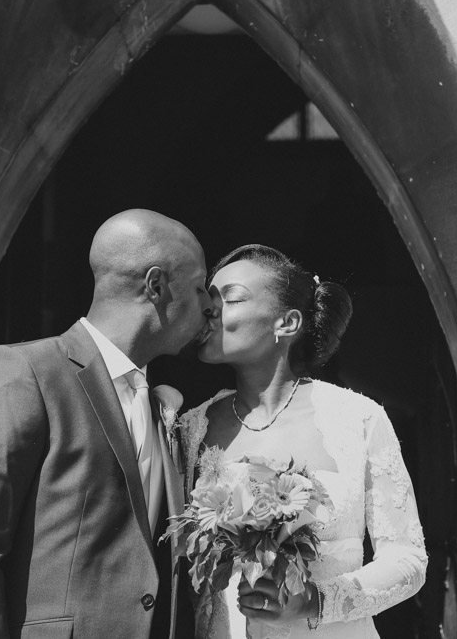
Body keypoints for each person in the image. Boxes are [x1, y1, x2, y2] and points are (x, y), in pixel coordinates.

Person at [0, 209, 214, 639]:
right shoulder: (21, 372)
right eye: (199, 289)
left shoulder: (162, 403)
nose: (209, 306)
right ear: (156, 285)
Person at [177, 244, 427, 639]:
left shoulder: (357, 418)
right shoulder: (189, 430)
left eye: (232, 298)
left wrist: (316, 601)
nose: (210, 309)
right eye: (208, 299)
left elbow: (408, 559)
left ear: (287, 323)